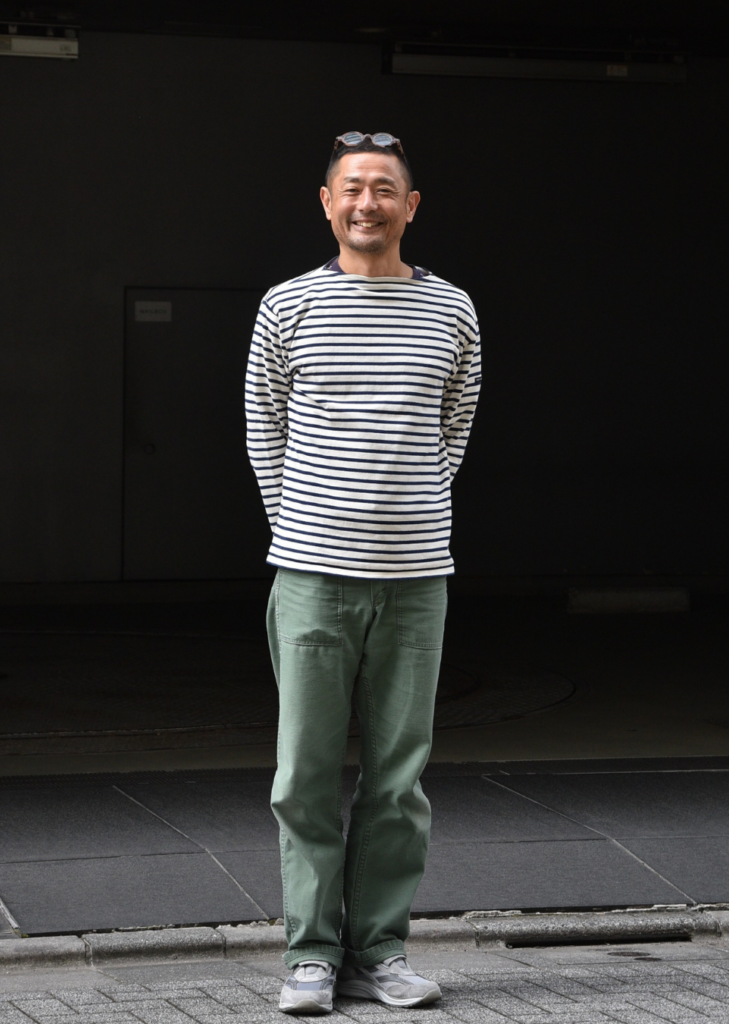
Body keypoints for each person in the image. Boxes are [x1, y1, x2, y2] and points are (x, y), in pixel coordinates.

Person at [245, 131, 481, 1014]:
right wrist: (306, 525)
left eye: (384, 188)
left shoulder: (452, 309)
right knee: (303, 776)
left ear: (409, 207)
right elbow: (263, 427)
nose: (366, 203)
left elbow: (453, 428)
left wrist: (402, 511)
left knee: (397, 779)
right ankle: (309, 955)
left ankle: (380, 950)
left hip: (416, 579)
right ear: (326, 202)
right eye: (351, 188)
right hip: (310, 575)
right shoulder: (287, 305)